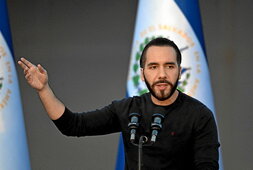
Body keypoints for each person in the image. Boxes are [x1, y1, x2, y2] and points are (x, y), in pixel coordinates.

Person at [18, 37, 220, 170]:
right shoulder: (128, 110)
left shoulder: (200, 115)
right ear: (142, 74)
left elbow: (207, 166)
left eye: (169, 66)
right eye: (153, 67)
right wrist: (44, 90)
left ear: (179, 71)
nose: (162, 74)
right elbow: (73, 125)